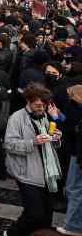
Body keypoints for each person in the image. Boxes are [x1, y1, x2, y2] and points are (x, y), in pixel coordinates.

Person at [4, 83, 64, 236]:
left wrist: (56, 138)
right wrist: (33, 142)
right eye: (38, 104)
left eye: (44, 104)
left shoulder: (43, 115)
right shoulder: (16, 118)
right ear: (28, 101)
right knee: (34, 214)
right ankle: (11, 233)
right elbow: (9, 144)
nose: (41, 108)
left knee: (46, 215)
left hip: (47, 173)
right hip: (27, 173)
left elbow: (50, 144)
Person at [60, 84, 82, 236]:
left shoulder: (75, 109)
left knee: (74, 190)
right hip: (76, 154)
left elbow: (70, 128)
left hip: (78, 155)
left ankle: (73, 226)